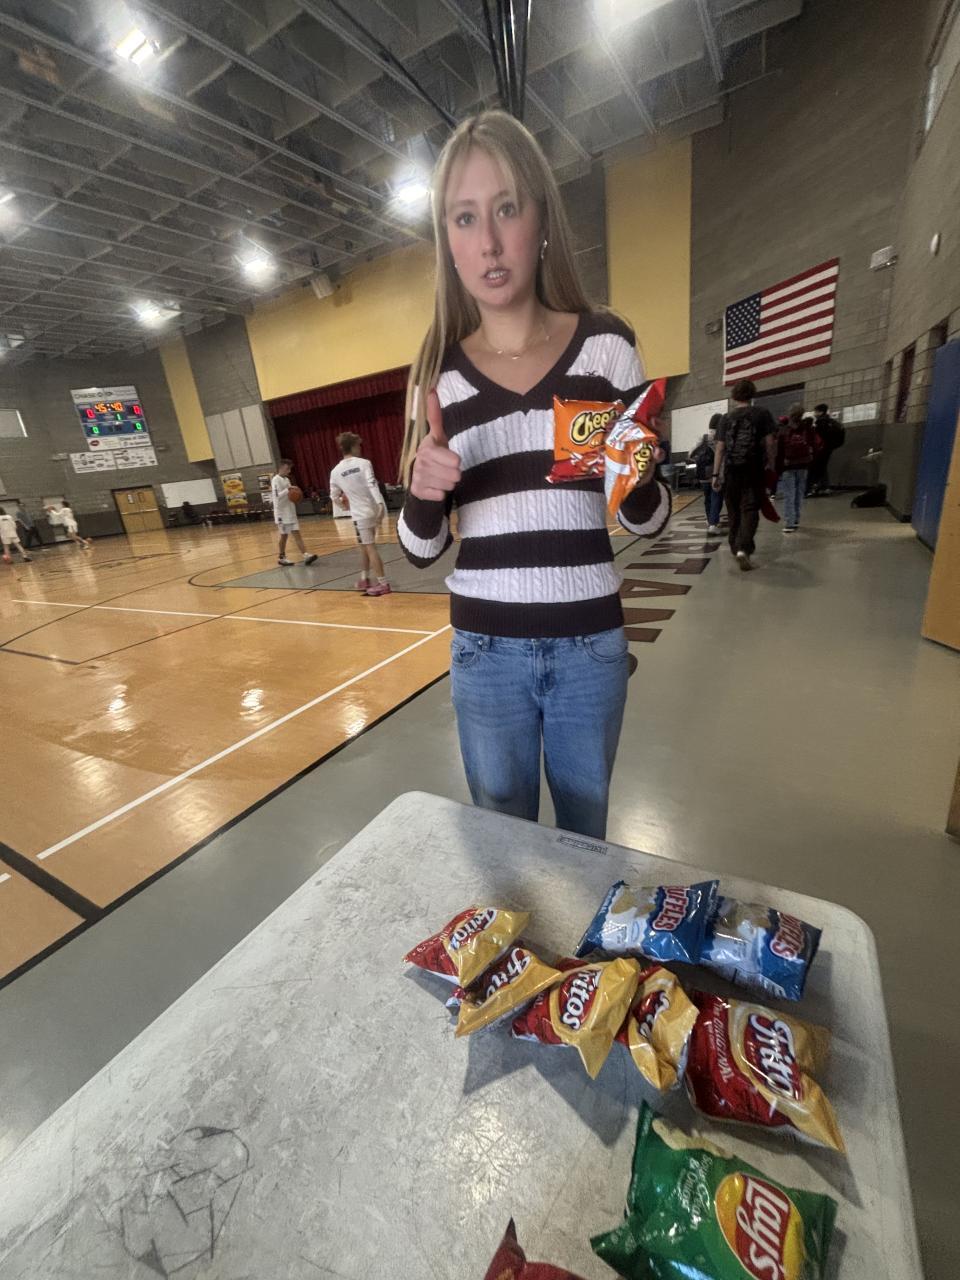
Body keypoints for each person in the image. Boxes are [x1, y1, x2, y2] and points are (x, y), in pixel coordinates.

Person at [396, 110, 671, 841]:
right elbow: (419, 549)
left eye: (507, 208)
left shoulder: (606, 348)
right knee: (503, 844)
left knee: (584, 841)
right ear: (448, 243)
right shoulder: (439, 376)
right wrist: (424, 492)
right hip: (484, 655)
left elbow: (647, 518)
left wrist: (634, 466)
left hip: (590, 647)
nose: (488, 242)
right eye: (465, 218)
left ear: (541, 220)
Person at [712, 379, 777, 571]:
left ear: (734, 396)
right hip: (753, 469)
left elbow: (720, 448)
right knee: (749, 509)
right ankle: (744, 548)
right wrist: (771, 464)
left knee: (733, 510)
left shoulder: (725, 418)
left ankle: (735, 546)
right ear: (752, 394)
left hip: (731, 471)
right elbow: (770, 443)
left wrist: (715, 474)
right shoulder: (762, 414)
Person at [329, 432, 390, 596]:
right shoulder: (364, 463)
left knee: (369, 547)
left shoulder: (335, 471)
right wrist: (380, 504)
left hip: (360, 515)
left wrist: (343, 507)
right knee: (364, 545)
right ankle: (364, 578)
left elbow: (333, 496)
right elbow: (372, 484)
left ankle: (383, 584)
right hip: (373, 510)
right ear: (354, 446)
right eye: (358, 445)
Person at [777, 405, 817, 532]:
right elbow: (814, 446)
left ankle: (789, 522)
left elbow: (779, 450)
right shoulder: (808, 429)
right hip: (804, 464)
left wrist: (778, 466)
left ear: (789, 414)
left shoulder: (783, 430)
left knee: (789, 494)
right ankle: (796, 519)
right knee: (799, 493)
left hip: (788, 465)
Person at [270, 459, 317, 568]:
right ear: (281, 468)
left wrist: (296, 494)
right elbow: (277, 497)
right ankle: (282, 558)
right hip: (281, 513)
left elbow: (290, 494)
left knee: (297, 533)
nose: (289, 471)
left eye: (290, 469)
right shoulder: (275, 480)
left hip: (290, 511)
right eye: (287, 468)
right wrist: (288, 489)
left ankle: (305, 555)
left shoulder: (287, 479)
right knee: (284, 536)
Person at [690, 414, 723, 533]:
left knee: (707, 498)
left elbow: (691, 454)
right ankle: (713, 524)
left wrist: (699, 461)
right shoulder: (721, 438)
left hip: (703, 474)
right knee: (716, 498)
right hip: (717, 474)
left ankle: (710, 521)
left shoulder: (703, 438)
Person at [807, 402, 845, 495]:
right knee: (822, 467)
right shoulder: (830, 421)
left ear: (820, 412)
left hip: (821, 448)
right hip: (828, 448)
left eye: (815, 411)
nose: (814, 413)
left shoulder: (821, 422)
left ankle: (816, 486)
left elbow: (818, 438)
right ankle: (824, 487)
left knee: (817, 467)